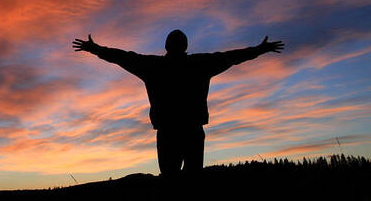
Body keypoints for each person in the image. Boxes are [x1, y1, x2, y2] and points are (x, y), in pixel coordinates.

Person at [72, 30, 284, 176]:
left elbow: (122, 57)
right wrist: (259, 50)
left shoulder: (153, 66)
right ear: (185, 46)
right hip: (191, 130)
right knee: (191, 179)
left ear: (167, 46)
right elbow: (231, 57)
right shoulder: (199, 64)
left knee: (171, 179)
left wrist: (95, 48)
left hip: (168, 132)